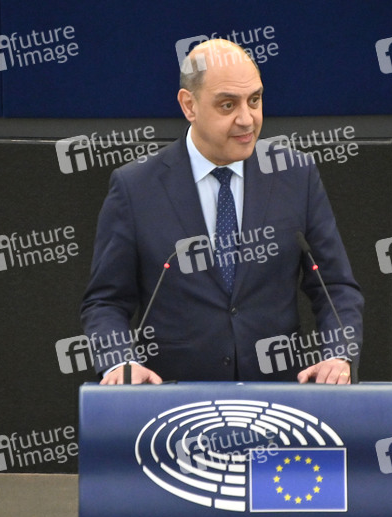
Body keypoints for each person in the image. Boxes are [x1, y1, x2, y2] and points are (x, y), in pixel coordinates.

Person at [80, 39, 363, 384]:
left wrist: (338, 353)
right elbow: (106, 301)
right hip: (174, 400)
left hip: (276, 397)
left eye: (255, 100)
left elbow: (334, 286)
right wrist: (119, 362)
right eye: (228, 105)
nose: (247, 119)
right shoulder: (136, 187)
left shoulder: (295, 175)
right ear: (189, 105)